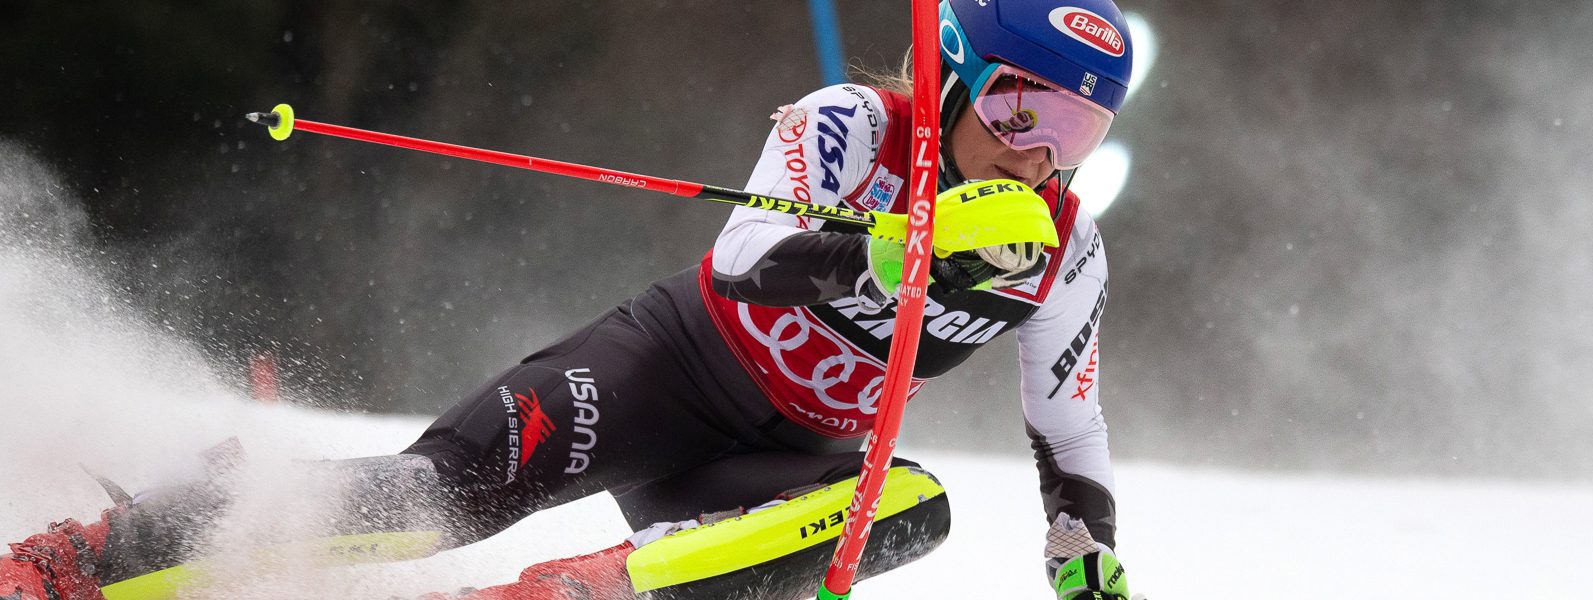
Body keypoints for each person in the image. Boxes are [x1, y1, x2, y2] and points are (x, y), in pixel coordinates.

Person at [0, 0, 1137, 598]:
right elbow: (744, 258)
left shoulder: (1063, 251)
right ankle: (91, 560)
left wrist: (1080, 543)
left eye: (1077, 128)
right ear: (952, 74)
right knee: (436, 500)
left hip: (773, 470)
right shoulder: (850, 126)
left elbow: (1069, 423)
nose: (1038, 153)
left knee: (910, 508)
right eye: (1020, 108)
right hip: (663, 374)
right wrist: (886, 258)